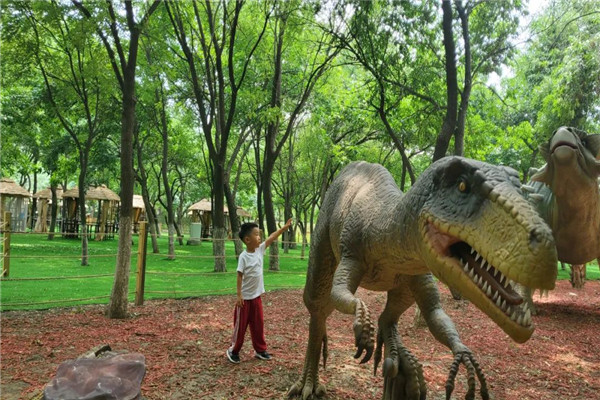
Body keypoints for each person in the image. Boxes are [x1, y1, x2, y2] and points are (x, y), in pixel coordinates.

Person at [226, 218, 293, 364]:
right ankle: (233, 350)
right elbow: (239, 275)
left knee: (258, 325)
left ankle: (260, 350)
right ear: (247, 239)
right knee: (240, 328)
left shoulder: (260, 250)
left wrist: (284, 228)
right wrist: (239, 295)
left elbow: (272, 237)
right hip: (244, 300)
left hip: (256, 297)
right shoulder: (243, 257)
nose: (259, 237)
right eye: (256, 234)